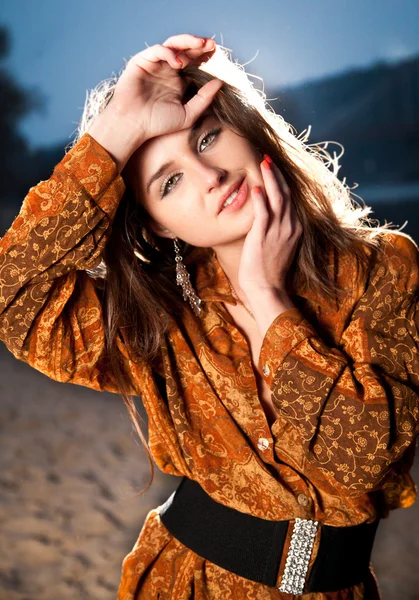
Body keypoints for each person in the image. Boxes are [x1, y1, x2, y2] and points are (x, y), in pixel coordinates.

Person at [0, 32, 418, 600]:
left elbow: (364, 460)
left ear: (248, 131)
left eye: (209, 137)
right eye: (169, 182)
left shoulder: (381, 268)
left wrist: (270, 302)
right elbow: (12, 298)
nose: (209, 176)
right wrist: (116, 131)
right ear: (160, 227)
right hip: (184, 584)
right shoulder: (156, 315)